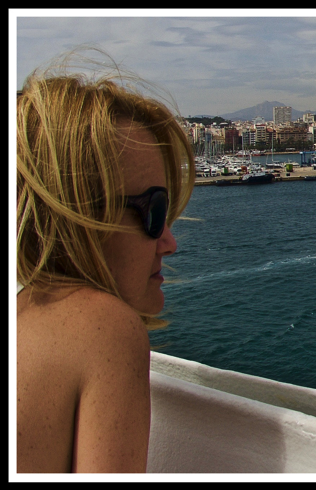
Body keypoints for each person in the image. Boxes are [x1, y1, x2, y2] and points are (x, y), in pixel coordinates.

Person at [16, 48, 196, 472]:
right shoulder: (105, 328)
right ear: (76, 216)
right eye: (154, 212)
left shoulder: (24, 314)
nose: (169, 242)